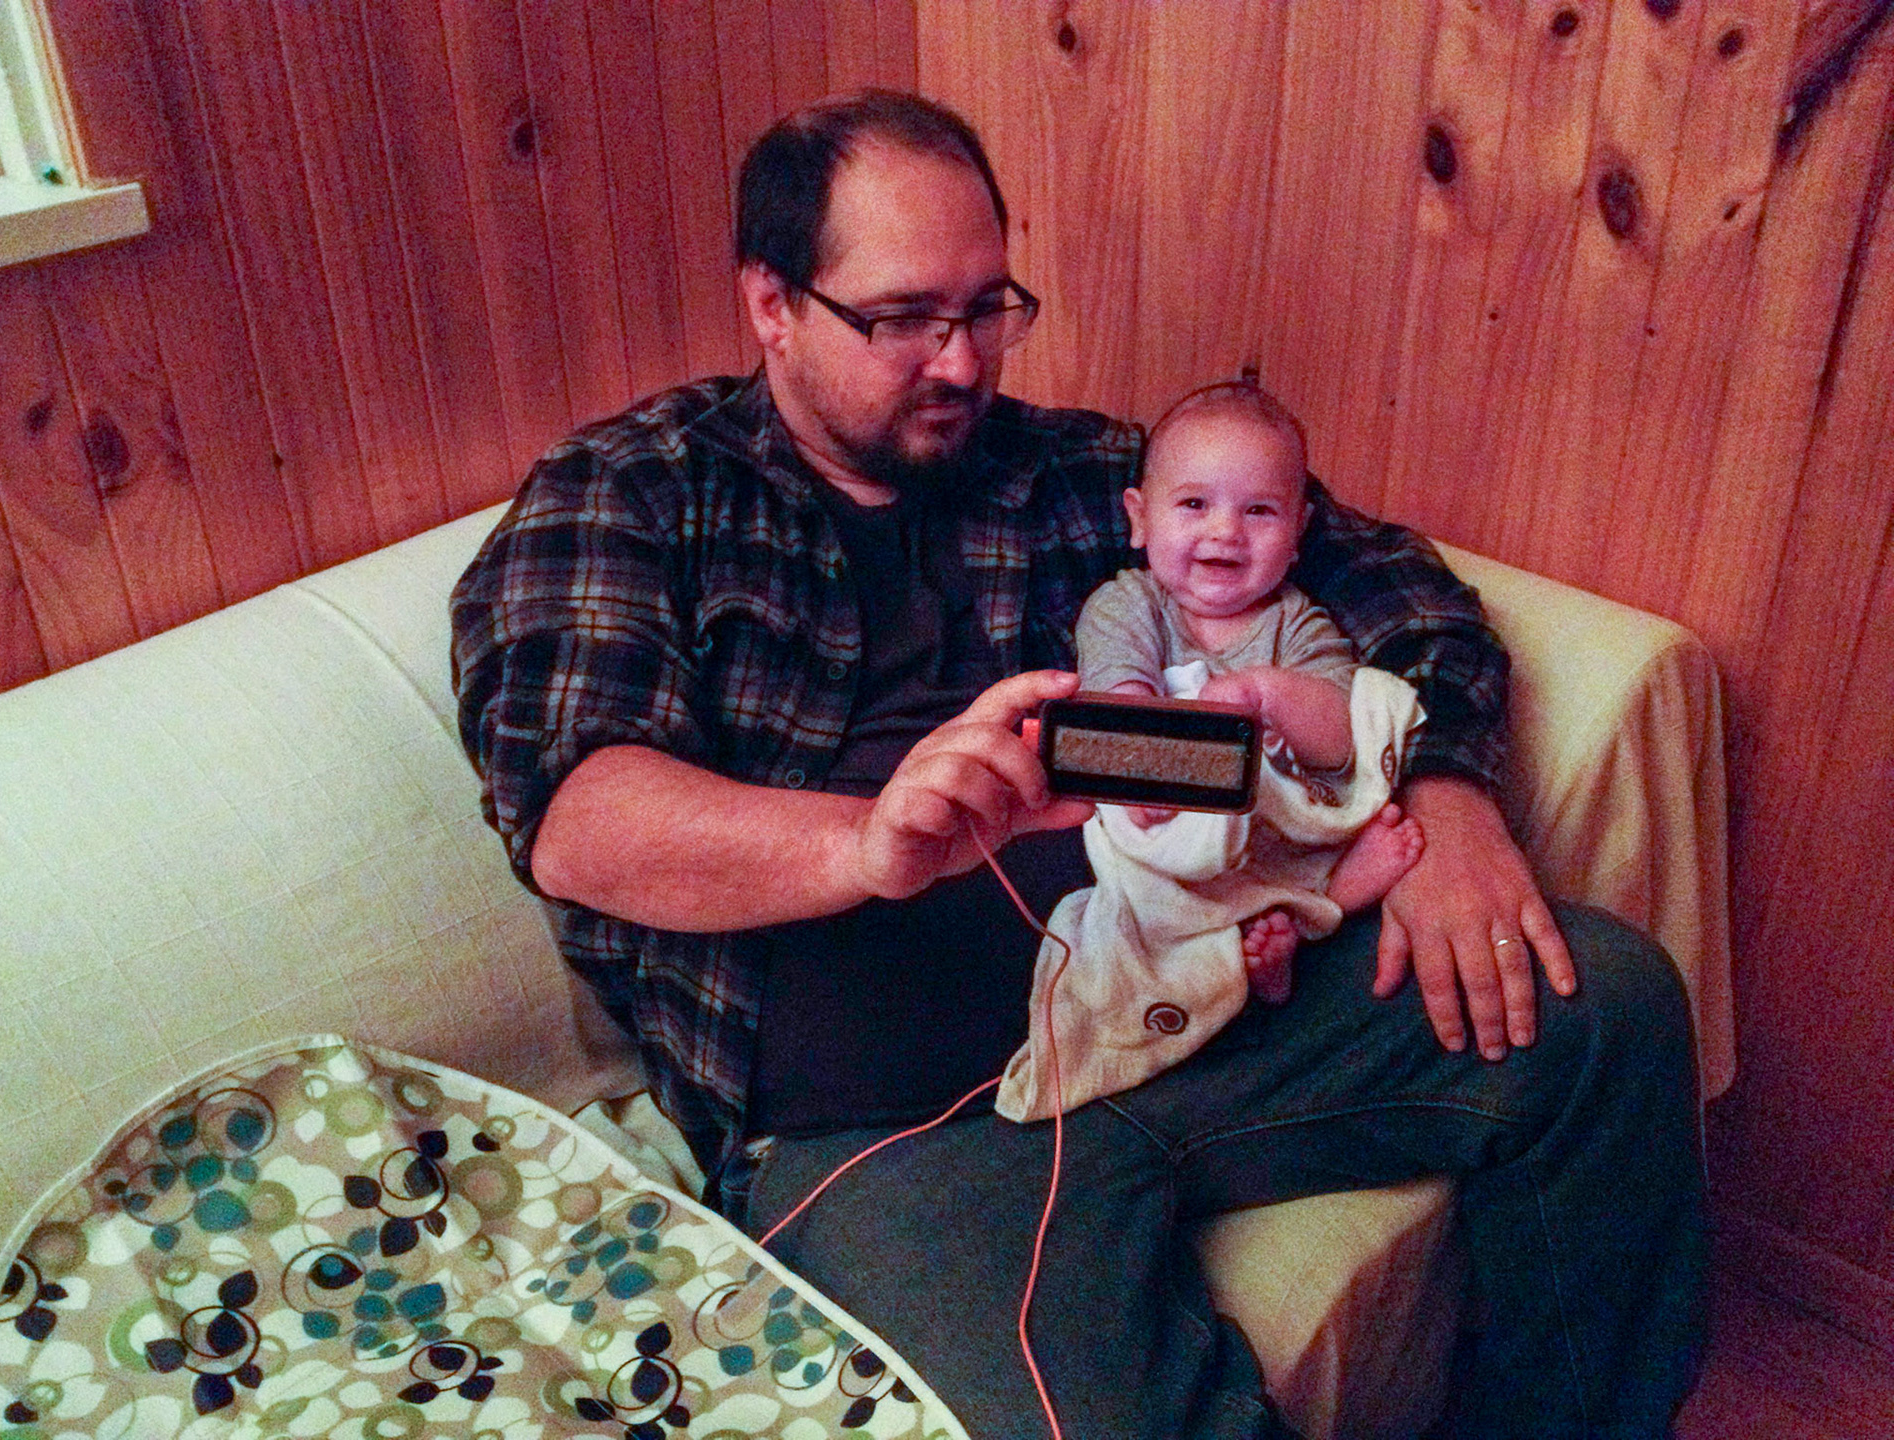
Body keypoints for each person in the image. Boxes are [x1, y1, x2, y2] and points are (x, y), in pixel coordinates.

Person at [452, 88, 1705, 1439]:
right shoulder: (634, 492)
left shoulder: (1068, 471)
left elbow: (1394, 581)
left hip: (1196, 999)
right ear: (773, 302)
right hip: (893, 1131)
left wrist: (1449, 796)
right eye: (904, 317)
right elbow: (582, 813)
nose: (960, 362)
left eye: (987, 307)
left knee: (1606, 1005)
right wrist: (864, 843)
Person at [996, 379, 1429, 1123]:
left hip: (1267, 832)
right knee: (1137, 891)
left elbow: (1342, 741)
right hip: (1165, 817)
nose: (1225, 532)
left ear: (1299, 530)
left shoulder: (1299, 624)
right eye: (1194, 504)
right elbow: (1121, 706)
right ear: (1140, 519)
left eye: (1259, 511)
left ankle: (1312, 910)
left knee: (1343, 788)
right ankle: (1268, 943)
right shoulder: (1127, 604)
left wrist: (1263, 694)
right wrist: (1160, 765)